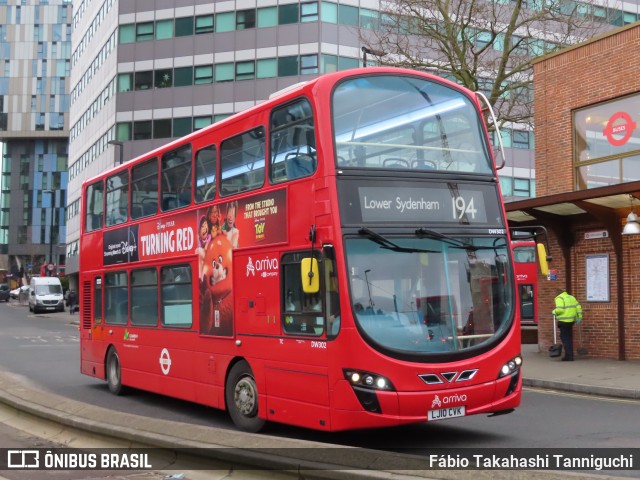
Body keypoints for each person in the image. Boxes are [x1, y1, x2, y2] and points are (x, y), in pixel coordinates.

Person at [552, 288, 582, 361]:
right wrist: (579, 317)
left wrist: (554, 311)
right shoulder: (571, 297)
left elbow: (560, 309)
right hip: (571, 321)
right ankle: (569, 355)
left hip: (563, 321)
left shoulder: (559, 298)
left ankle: (569, 356)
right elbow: (578, 307)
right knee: (568, 337)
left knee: (565, 338)